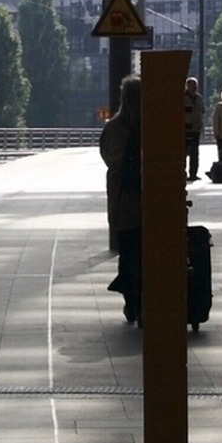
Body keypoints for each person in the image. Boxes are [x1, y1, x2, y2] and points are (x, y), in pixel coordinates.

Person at [99, 74, 143, 324]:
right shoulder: (153, 124)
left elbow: (107, 156)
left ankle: (131, 300)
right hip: (151, 198)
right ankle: (145, 295)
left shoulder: (113, 127)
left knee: (128, 250)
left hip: (123, 197)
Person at [183, 75, 204, 182]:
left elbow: (201, 112)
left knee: (195, 153)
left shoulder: (199, 98)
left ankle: (193, 173)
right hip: (185, 129)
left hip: (196, 129)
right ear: (187, 86)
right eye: (192, 85)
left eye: (196, 85)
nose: (195, 87)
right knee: (183, 152)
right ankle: (182, 172)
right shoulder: (182, 98)